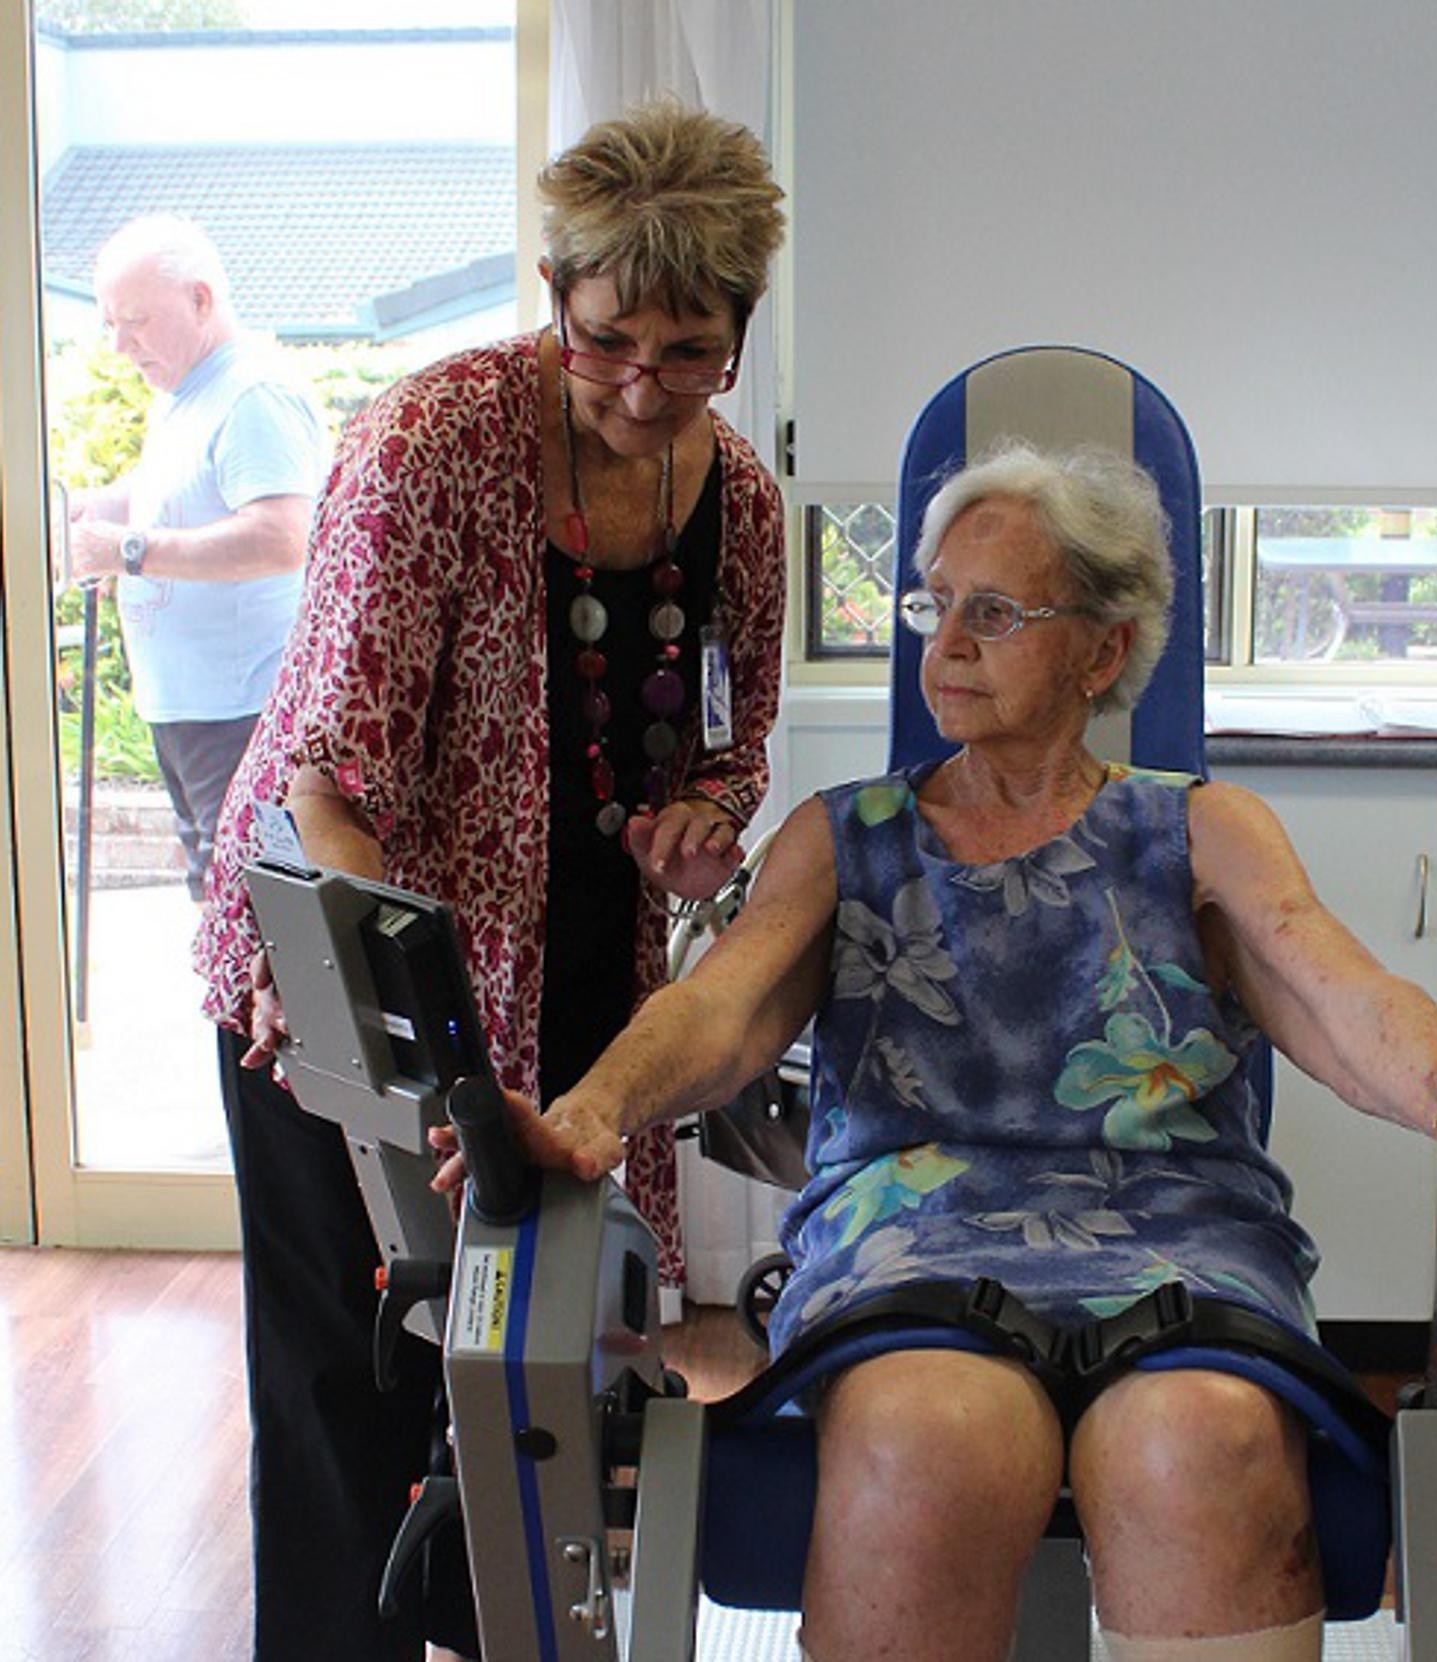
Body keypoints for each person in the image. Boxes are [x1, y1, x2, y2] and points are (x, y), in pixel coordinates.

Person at [454, 444, 1437, 1662]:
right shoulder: (843, 838)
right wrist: (591, 1111)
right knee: (928, 1435)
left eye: (993, 613)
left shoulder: (1200, 831)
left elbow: (1339, 993)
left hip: (1178, 1231)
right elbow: (720, 1007)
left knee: (1203, 1438)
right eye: (934, 606)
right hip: (907, 1236)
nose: (945, 645)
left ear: (1102, 651)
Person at [193, 99, 787, 1661]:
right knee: (355, 1361)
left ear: (741, 330)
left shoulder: (740, 502)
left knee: (548, 1356)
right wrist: (391, 1026)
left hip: (586, 976)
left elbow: (732, 744)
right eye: (608, 341)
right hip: (356, 956)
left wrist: (701, 821)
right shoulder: (431, 445)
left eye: (690, 352)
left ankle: (512, 1631)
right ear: (553, 293)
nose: (643, 387)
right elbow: (331, 775)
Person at [68, 213, 326, 900]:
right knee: (220, 897)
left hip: (244, 712)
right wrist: (96, 509)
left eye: (136, 321)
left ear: (201, 300)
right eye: (109, 323)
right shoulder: (188, 392)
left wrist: (127, 550)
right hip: (195, 709)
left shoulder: (253, 395)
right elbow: (172, 489)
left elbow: (281, 535)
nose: (119, 344)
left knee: (250, 905)